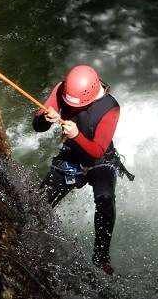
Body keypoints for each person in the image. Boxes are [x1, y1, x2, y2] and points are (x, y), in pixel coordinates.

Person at [33, 64, 121, 275]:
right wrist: (45, 117)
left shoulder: (110, 107)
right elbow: (38, 127)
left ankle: (101, 257)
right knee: (36, 205)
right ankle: (32, 238)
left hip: (100, 161)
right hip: (71, 157)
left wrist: (76, 136)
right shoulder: (62, 89)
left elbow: (97, 151)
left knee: (105, 197)